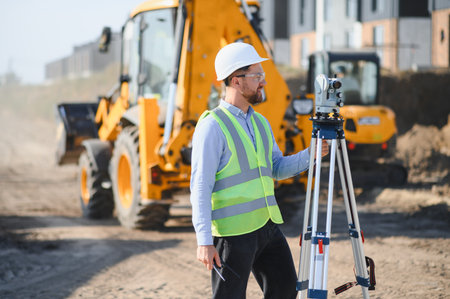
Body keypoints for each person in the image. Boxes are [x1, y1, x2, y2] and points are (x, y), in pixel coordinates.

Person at [190, 42, 329, 299]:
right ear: (236, 81)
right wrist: (204, 240)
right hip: (232, 234)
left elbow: (276, 168)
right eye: (257, 76)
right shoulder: (213, 126)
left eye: (262, 75)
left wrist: (311, 154)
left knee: (286, 288)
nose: (263, 82)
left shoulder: (261, 122)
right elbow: (200, 186)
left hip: (266, 226)